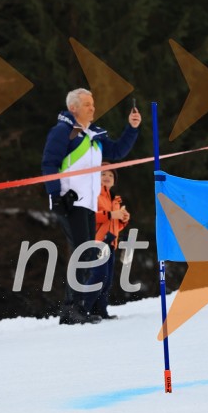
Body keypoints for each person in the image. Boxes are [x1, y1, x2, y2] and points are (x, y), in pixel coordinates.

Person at [41, 89, 141, 324]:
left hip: (88, 203)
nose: (92, 109)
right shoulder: (63, 132)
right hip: (70, 201)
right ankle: (70, 309)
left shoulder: (94, 136)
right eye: (87, 105)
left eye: (93, 104)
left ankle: (81, 307)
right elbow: (49, 163)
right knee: (81, 252)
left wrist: (132, 128)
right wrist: (55, 195)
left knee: (87, 253)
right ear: (73, 108)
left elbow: (117, 151)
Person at [82, 169, 129, 319]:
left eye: (111, 175)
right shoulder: (93, 193)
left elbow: (113, 224)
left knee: (107, 279)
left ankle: (100, 310)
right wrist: (110, 215)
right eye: (103, 174)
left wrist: (123, 219)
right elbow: (88, 216)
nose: (107, 177)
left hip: (110, 242)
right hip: (97, 241)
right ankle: (82, 310)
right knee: (99, 275)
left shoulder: (114, 199)